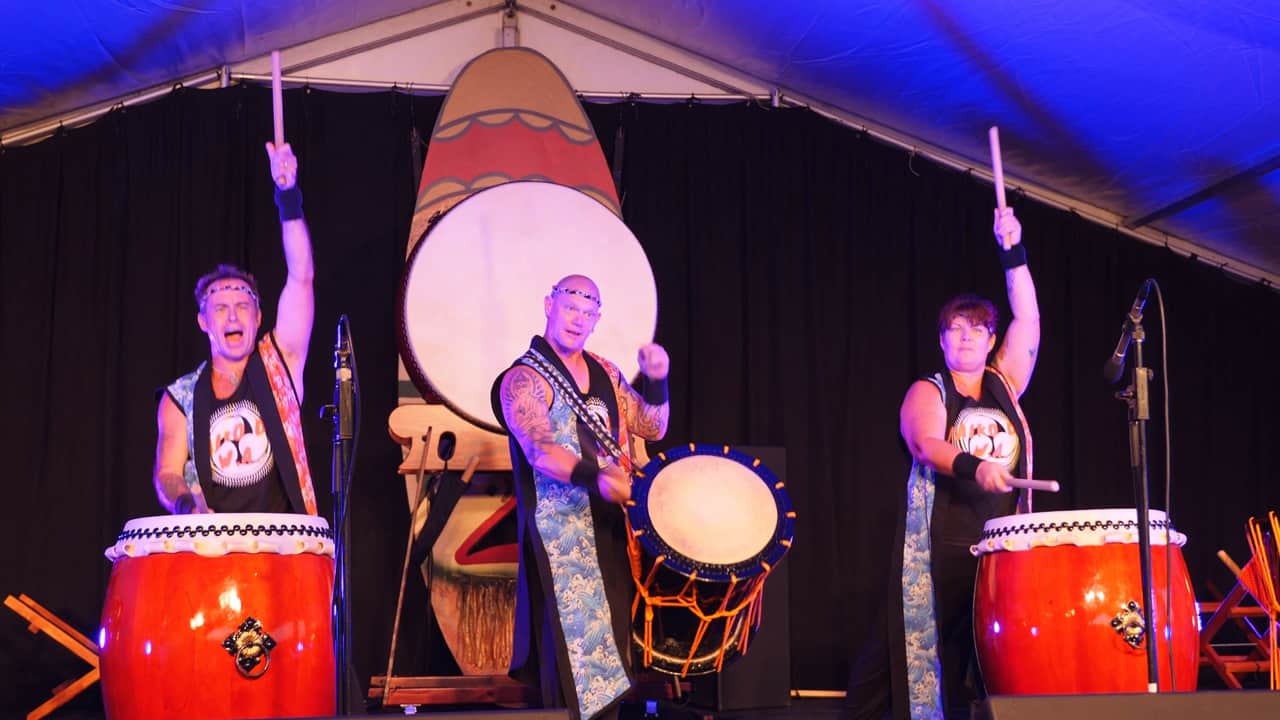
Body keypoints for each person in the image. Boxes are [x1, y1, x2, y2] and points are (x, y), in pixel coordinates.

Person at [846, 207, 1040, 719]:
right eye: (955, 329)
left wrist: (1012, 251)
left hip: (999, 547)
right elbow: (925, 443)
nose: (967, 337)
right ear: (942, 339)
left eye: (977, 329)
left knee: (982, 662)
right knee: (901, 656)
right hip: (942, 547)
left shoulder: (1006, 386)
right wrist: (977, 466)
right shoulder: (928, 390)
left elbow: (1030, 319)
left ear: (991, 339)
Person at [491, 274, 670, 720]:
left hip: (609, 531)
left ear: (598, 319)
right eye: (571, 307)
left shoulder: (606, 371)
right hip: (562, 538)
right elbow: (540, 450)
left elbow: (652, 426)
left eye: (588, 313)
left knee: (612, 664)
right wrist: (598, 478)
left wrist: (656, 380)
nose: (578, 319)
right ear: (549, 304)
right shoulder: (523, 378)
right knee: (579, 671)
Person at [152, 141, 317, 516]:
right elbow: (167, 472)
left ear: (258, 318)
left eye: (243, 306)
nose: (231, 316)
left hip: (285, 548)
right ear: (202, 321)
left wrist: (288, 196)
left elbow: (301, 276)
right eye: (220, 308)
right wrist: (185, 504)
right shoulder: (180, 397)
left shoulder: (282, 364)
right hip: (214, 549)